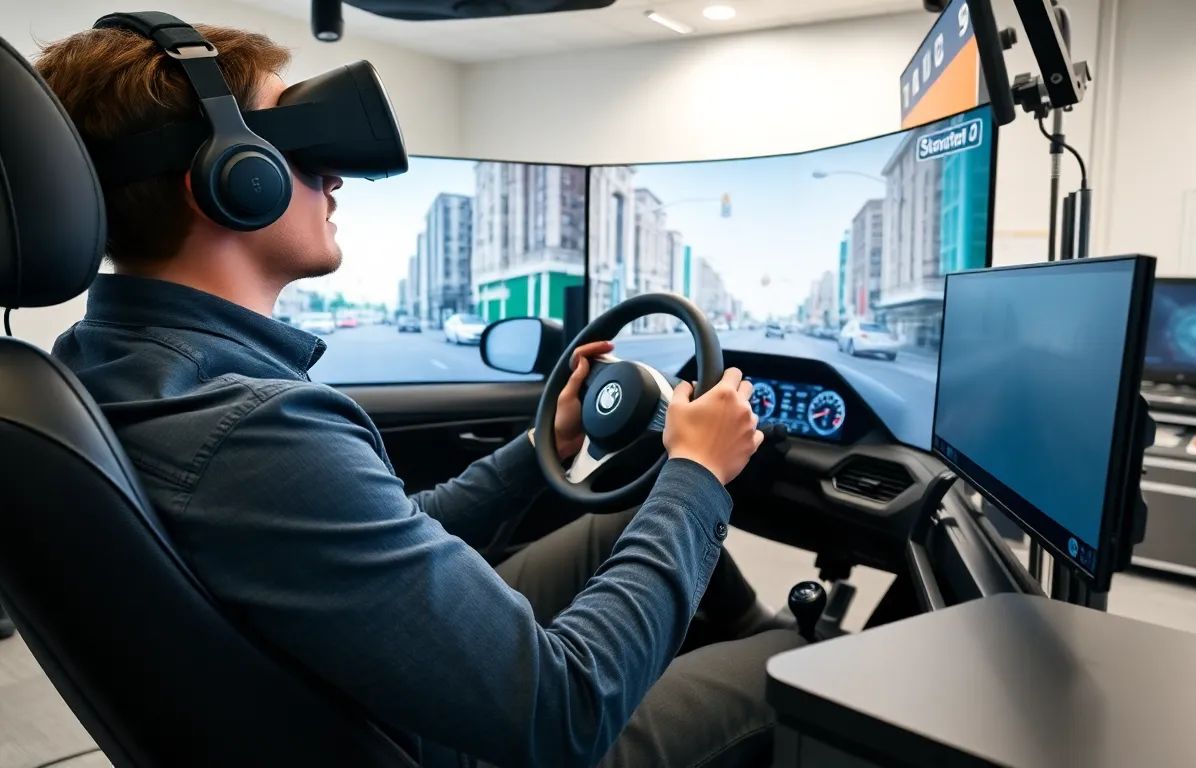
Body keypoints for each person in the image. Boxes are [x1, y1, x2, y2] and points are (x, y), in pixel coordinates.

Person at [37, 22, 806, 768]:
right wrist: (698, 474)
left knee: (624, 522)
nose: (333, 176)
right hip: (462, 738)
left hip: (370, 693)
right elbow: (566, 709)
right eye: (301, 147)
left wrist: (549, 440)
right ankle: (791, 648)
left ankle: (756, 627)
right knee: (801, 663)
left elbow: (382, 537)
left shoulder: (104, 366)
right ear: (232, 176)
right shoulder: (253, 427)